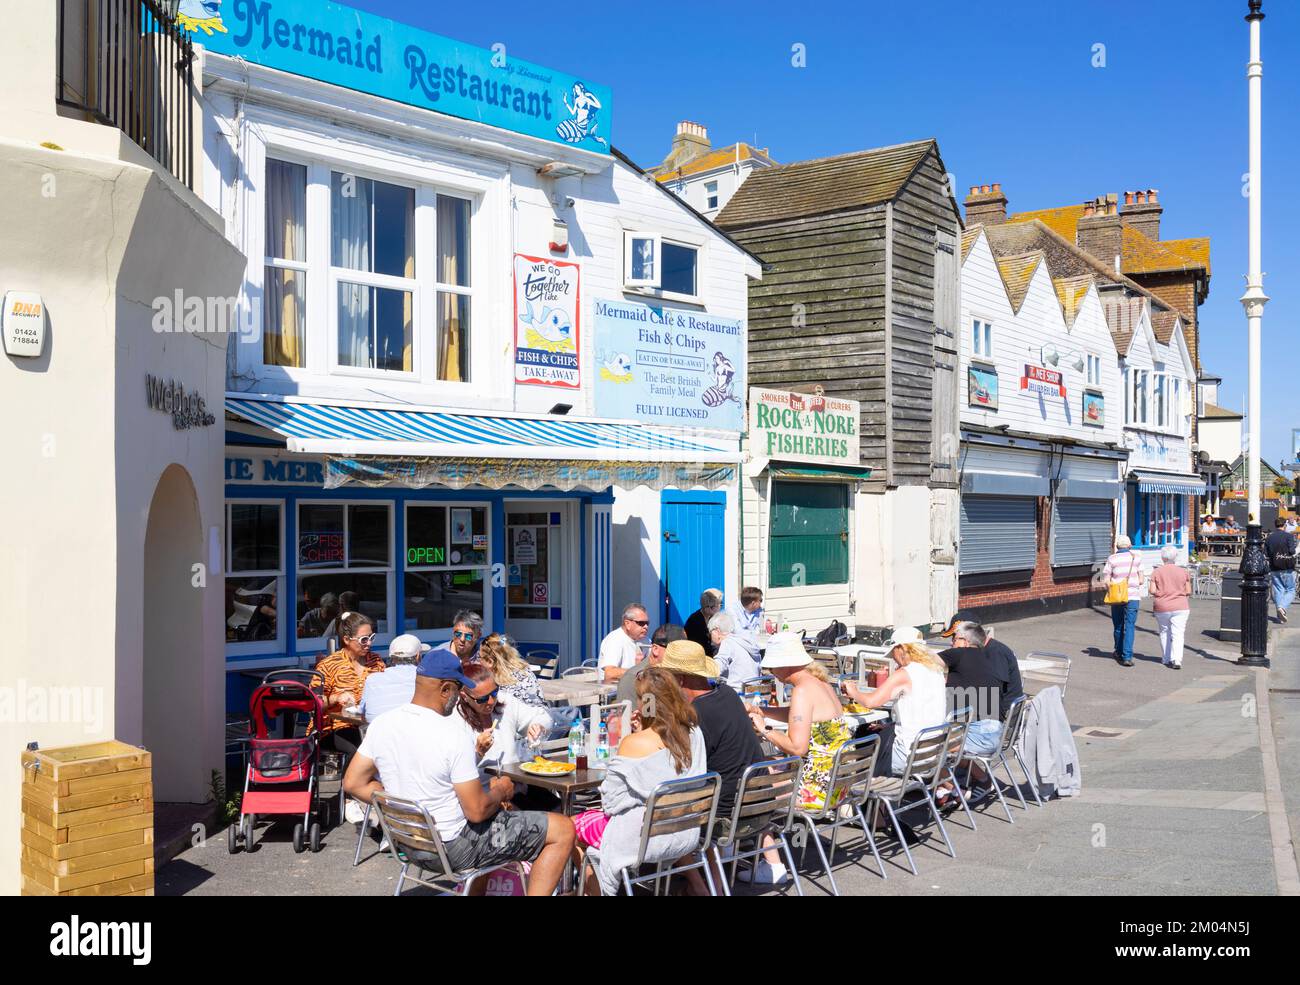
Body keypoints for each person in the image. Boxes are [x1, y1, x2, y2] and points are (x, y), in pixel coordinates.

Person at [342, 649, 575, 896]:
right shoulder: (453, 734)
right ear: (445, 690)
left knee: (497, 822)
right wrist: (500, 792)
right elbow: (477, 811)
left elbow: (353, 782)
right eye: (457, 689)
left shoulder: (383, 724)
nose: (458, 697)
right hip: (454, 847)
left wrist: (399, 804)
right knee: (563, 829)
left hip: (410, 843)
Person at [572, 666, 708, 896]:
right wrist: (646, 726)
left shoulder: (634, 743)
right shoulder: (695, 733)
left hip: (642, 837)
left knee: (569, 827)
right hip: (685, 831)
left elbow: (611, 803)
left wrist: (635, 735)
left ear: (646, 702)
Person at [659, 640, 773, 889]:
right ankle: (713, 883)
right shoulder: (728, 695)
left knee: (661, 816)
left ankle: (700, 886)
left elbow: (678, 767)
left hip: (725, 815)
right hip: (757, 805)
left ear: (679, 680)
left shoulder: (695, 714)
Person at [748, 633, 852, 818]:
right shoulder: (820, 682)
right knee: (768, 764)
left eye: (772, 667)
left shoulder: (802, 690)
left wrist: (765, 730)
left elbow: (797, 747)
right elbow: (798, 717)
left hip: (815, 791)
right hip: (837, 786)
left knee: (752, 773)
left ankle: (754, 835)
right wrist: (761, 711)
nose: (770, 671)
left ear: (785, 664)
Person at [843, 626, 947, 777]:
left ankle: (862, 791)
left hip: (909, 756)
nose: (892, 657)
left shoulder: (905, 673)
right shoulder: (936, 670)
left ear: (901, 649)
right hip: (934, 751)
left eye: (893, 652)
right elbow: (924, 710)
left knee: (863, 739)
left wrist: (853, 691)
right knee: (878, 731)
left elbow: (871, 702)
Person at [939, 622, 1006, 795]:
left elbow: (925, 661)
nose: (951, 643)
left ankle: (953, 791)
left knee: (928, 745)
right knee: (949, 736)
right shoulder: (985, 659)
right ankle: (983, 780)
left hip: (979, 734)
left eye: (954, 639)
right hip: (994, 733)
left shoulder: (961, 653)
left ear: (965, 641)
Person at [316, 611, 386, 759]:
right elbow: (313, 704)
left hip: (371, 725)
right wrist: (335, 698)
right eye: (364, 639)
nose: (369, 643)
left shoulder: (376, 661)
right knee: (360, 749)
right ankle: (350, 782)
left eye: (371, 637)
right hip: (335, 727)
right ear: (347, 639)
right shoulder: (329, 665)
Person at [455, 663, 553, 767]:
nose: (491, 701)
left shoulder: (506, 702)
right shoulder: (454, 720)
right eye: (482, 699)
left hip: (515, 779)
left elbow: (543, 717)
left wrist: (539, 726)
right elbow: (455, 770)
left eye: (494, 693)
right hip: (481, 782)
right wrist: (478, 752)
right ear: (464, 696)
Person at [939, 610, 1022, 716]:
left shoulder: (996, 652)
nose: (952, 643)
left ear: (968, 638)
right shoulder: (977, 651)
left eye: (955, 638)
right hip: (982, 712)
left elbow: (991, 691)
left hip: (1002, 717)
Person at [1101, 535, 1147, 667]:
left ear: (1117, 547)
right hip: (1132, 596)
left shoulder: (1112, 558)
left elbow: (1106, 581)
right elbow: (1141, 580)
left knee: (1118, 625)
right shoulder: (1136, 558)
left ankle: (1118, 651)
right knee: (1130, 626)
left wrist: (1115, 586)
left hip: (1117, 596)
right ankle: (1127, 657)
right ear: (1129, 545)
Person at [359, 633, 426, 723]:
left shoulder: (372, 680)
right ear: (418, 656)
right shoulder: (426, 679)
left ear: (392, 658)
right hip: (415, 733)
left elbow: (363, 714)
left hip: (378, 735)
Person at [615, 623, 685, 703]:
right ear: (655, 649)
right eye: (675, 651)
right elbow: (629, 714)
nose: (681, 656)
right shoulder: (633, 679)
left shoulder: (680, 675)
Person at [1150, 545, 1192, 668]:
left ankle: (1166, 658)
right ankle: (1177, 660)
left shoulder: (1156, 572)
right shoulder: (1183, 572)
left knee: (1164, 631)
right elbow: (1188, 591)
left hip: (1162, 605)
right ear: (1175, 557)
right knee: (1178, 633)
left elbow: (1152, 590)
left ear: (1163, 558)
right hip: (1180, 605)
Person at [476, 633, 546, 708]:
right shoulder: (524, 670)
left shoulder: (501, 686)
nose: (477, 661)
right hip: (543, 715)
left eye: (479, 657)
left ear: (490, 662)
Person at [709, 610, 761, 692]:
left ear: (717, 631)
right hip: (754, 692)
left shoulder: (727, 642)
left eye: (710, 632)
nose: (710, 635)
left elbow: (718, 667)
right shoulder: (745, 642)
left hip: (736, 694)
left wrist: (704, 670)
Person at [597, 602, 650, 683]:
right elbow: (610, 673)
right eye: (641, 623)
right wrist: (638, 672)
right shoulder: (615, 639)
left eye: (647, 623)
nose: (646, 627)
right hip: (613, 691)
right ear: (627, 623)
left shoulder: (646, 640)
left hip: (636, 686)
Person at [1265, 516, 1297, 623]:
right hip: (1287, 566)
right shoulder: (1289, 536)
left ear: (1275, 525)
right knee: (1291, 590)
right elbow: (1292, 551)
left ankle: (1280, 615)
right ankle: (1282, 607)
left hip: (1274, 566)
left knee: (1279, 590)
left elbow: (1266, 553)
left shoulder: (1269, 537)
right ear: (1285, 525)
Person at [684, 588, 723, 657]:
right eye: (719, 605)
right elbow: (698, 647)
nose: (720, 607)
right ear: (709, 607)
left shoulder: (712, 618)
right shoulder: (695, 622)